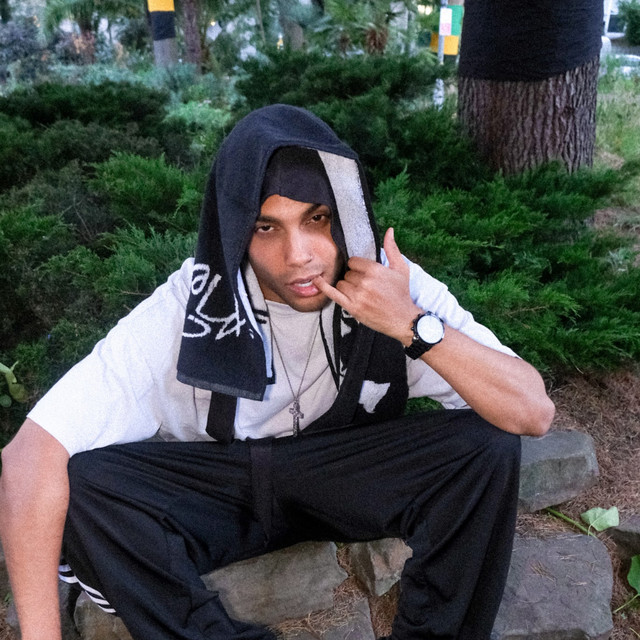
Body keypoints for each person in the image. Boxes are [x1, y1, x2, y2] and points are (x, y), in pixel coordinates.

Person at [0, 104, 554, 640]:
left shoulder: (389, 284)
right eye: (267, 227)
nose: (299, 255)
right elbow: (28, 457)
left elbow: (532, 411)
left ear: (346, 212)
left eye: (317, 219)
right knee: (89, 486)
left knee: (486, 446)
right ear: (236, 229)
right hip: (221, 488)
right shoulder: (191, 305)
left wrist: (409, 324)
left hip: (342, 473)